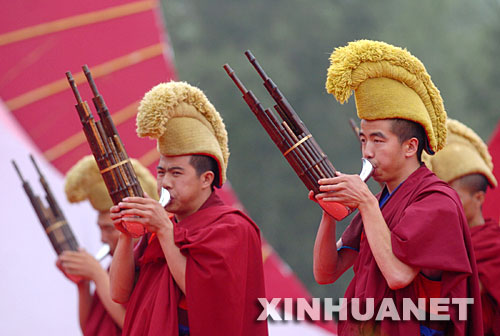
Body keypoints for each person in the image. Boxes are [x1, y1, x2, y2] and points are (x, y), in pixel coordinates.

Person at [313, 40, 482, 335]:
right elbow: (326, 272)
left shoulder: (437, 202)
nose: (367, 152)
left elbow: (398, 275)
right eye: (363, 140)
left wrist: (365, 203)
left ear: (410, 147)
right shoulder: (381, 201)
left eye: (378, 140)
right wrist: (329, 214)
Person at [109, 81, 268, 336]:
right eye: (161, 172)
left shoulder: (232, 227)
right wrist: (126, 235)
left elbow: (206, 298)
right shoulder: (161, 228)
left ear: (206, 179)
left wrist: (163, 230)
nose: (165, 182)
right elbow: (119, 293)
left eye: (176, 173)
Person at [57, 155, 158, 336]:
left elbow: (134, 327)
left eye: (109, 229)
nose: (102, 239)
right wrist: (83, 283)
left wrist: (97, 274)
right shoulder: (114, 266)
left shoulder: (153, 261)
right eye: (100, 228)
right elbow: (89, 328)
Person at [425, 119, 500, 335]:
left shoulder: (492, 246)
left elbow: (462, 300)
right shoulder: (441, 243)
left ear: (478, 198)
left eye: (452, 196)